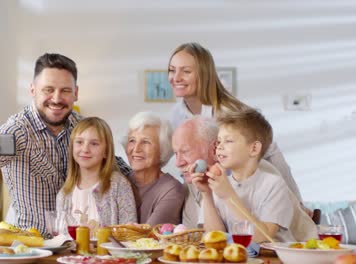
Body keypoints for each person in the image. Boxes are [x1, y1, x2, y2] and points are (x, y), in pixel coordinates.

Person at [0, 53, 130, 234]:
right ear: (33, 90)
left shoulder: (80, 125)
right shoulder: (17, 130)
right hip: (32, 244)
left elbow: (110, 162)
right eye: (48, 90)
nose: (56, 98)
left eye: (65, 91)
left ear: (75, 93)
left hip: (73, 245)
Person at [167, 42, 303, 203]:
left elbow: (271, 154)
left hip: (246, 195)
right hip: (208, 193)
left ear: (203, 75)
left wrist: (295, 201)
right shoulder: (176, 114)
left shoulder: (229, 113)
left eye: (186, 71)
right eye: (172, 70)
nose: (176, 78)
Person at [195, 108, 316, 242]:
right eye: (219, 141)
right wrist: (206, 195)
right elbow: (216, 238)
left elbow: (264, 237)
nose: (220, 147)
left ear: (254, 149)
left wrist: (229, 196)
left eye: (228, 141)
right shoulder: (219, 184)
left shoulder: (273, 184)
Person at [56, 117, 137, 228]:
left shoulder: (118, 184)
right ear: (72, 148)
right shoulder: (64, 194)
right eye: (79, 142)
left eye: (94, 144)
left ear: (106, 152)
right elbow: (62, 239)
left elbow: (129, 231)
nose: (85, 149)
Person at [121, 111, 185, 225]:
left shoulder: (171, 189)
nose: (136, 149)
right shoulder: (119, 182)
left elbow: (150, 235)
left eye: (145, 142)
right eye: (132, 141)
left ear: (163, 148)